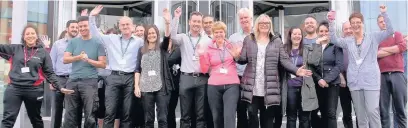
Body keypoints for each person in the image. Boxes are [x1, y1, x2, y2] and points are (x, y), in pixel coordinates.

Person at [235, 14, 312, 128]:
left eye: (267, 23)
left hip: (269, 86)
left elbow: (284, 60)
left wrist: (296, 70)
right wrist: (236, 56)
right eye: (262, 23)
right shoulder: (249, 39)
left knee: (268, 118)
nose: (264, 25)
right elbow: (243, 60)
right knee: (252, 115)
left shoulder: (276, 41)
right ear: (257, 25)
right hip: (253, 86)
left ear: (270, 25)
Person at [327, 5, 393, 128]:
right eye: (353, 23)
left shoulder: (373, 37)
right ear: (351, 25)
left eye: (358, 22)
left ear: (362, 23)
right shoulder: (348, 41)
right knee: (361, 116)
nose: (356, 25)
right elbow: (334, 39)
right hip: (354, 82)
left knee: (373, 111)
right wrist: (331, 22)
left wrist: (384, 13)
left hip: (371, 81)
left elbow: (389, 31)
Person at [0, 24, 74, 128]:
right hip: (14, 89)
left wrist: (60, 87)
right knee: (8, 120)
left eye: (32, 33)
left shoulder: (43, 53)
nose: (30, 35)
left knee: (36, 120)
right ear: (24, 37)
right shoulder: (15, 49)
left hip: (34, 90)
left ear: (36, 36)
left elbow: (49, 73)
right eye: (27, 34)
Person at [88, 5, 145, 128]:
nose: (125, 27)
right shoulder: (111, 39)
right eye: (122, 25)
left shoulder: (139, 41)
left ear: (132, 27)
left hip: (130, 78)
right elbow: (96, 35)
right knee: (110, 111)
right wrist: (91, 17)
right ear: (119, 27)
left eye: (127, 24)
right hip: (113, 77)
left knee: (127, 113)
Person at [170, 7, 212, 128]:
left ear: (201, 23)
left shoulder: (207, 40)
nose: (196, 24)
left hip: (201, 79)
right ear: (189, 22)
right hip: (186, 78)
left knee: (200, 115)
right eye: (194, 21)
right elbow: (172, 37)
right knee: (185, 115)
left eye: (199, 21)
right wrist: (176, 18)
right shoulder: (183, 37)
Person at [62, 16, 107, 128]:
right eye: (80, 26)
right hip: (72, 81)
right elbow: (65, 59)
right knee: (70, 115)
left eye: (84, 26)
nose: (82, 28)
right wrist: (78, 57)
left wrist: (88, 60)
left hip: (89, 82)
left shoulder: (98, 43)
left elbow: (103, 64)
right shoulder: (73, 42)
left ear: (89, 26)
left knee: (90, 116)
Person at [198, 21, 240, 128]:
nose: (218, 34)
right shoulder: (209, 48)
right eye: (216, 32)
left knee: (229, 116)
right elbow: (204, 69)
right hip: (214, 86)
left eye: (221, 32)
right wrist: (202, 56)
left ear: (225, 33)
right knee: (216, 118)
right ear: (213, 34)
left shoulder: (231, 46)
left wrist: (237, 57)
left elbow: (240, 60)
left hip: (231, 85)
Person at [281, 27, 319, 128]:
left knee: (305, 118)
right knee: (291, 116)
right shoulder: (284, 49)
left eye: (299, 34)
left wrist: (317, 44)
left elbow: (315, 61)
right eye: (295, 34)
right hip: (290, 88)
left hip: (305, 87)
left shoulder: (306, 49)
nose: (297, 36)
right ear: (290, 35)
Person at [50, 20, 83, 128]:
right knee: (57, 110)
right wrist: (52, 81)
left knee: (75, 109)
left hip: (75, 80)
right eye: (73, 27)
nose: (75, 29)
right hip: (59, 80)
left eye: (77, 28)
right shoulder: (57, 44)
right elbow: (51, 63)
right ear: (67, 28)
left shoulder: (82, 44)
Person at [377, 14, 407, 128]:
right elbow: (376, 53)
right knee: (383, 111)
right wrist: (394, 49)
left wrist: (383, 49)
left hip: (398, 74)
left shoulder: (397, 34)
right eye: (380, 22)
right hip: (382, 76)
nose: (383, 23)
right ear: (378, 24)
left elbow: (402, 47)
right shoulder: (377, 37)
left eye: (385, 21)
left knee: (400, 109)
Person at [313, 21, 344, 128]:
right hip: (318, 84)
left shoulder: (335, 46)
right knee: (322, 112)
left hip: (332, 84)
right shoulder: (315, 46)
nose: (323, 33)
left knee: (331, 113)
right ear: (317, 32)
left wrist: (326, 80)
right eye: (321, 31)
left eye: (326, 31)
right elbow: (311, 65)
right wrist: (319, 79)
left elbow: (339, 65)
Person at [228, 8, 252, 128]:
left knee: (253, 109)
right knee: (241, 108)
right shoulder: (233, 38)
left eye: (246, 17)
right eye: (241, 18)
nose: (244, 20)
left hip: (253, 77)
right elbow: (229, 58)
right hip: (238, 77)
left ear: (251, 18)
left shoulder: (257, 35)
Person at [339, 21, 356, 128]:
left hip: (358, 80)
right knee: (346, 112)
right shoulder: (339, 44)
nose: (349, 31)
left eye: (350, 28)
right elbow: (335, 61)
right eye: (346, 29)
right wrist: (341, 76)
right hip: (343, 80)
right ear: (342, 31)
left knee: (360, 110)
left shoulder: (360, 42)